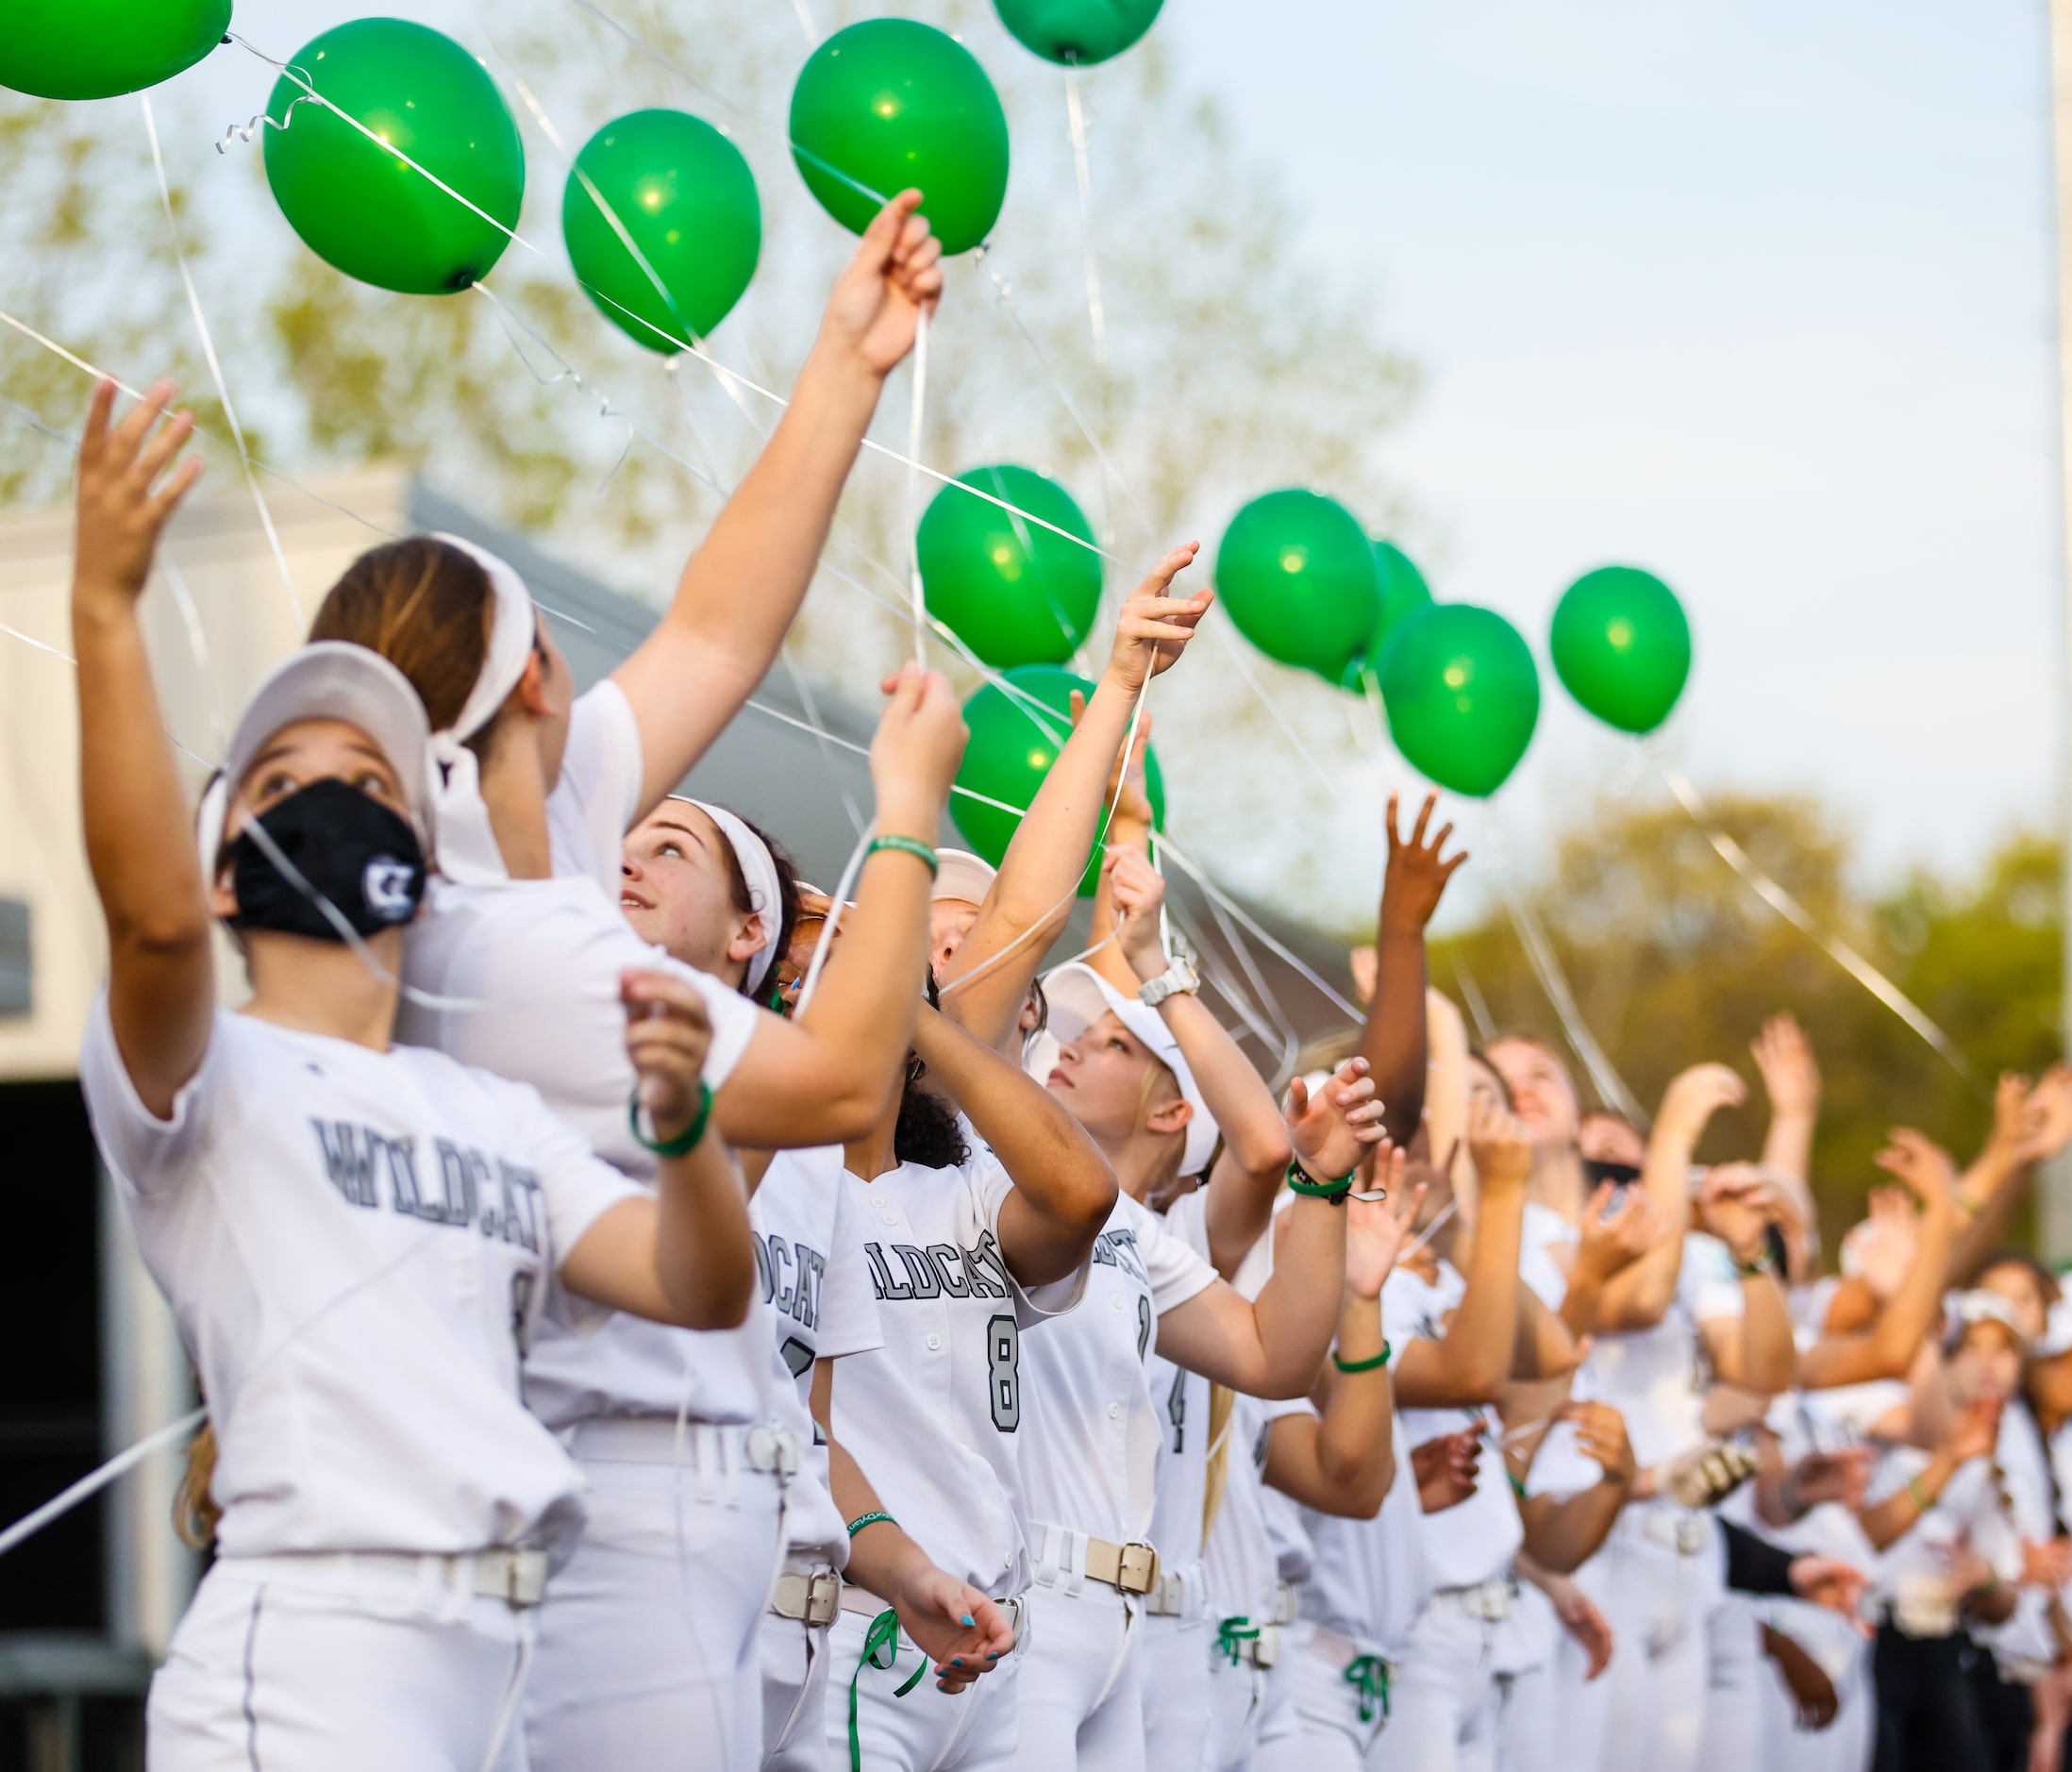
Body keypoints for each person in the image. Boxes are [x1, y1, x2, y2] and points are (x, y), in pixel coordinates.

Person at [303, 194, 955, 1772]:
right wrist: (910, 824)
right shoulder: (504, 938)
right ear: (536, 676)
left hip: (655, 1498)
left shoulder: (529, 812)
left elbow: (723, 621)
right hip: (620, 1500)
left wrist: (843, 371)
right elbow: (844, 1086)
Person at [68, 379, 755, 1771]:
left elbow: (700, 1286)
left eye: (371, 772)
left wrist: (684, 1137)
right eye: (279, 784)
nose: (331, 791)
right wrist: (102, 616)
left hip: (499, 1660)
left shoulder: (485, 1109)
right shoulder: (209, 1075)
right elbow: (142, 922)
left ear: (427, 853)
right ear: (217, 871)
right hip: (320, 1649)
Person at [617, 798, 1019, 1770]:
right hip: (649, 1608)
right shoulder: (601, 1091)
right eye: (618, 846)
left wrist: (906, 1567)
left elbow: (810, 1429)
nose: (628, 865)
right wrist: (909, 805)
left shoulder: (809, 1170)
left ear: (746, 932)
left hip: (794, 1648)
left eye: (668, 848)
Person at [817, 995, 1120, 1771]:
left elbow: (1083, 1190)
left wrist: (908, 1008)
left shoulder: (965, 1193)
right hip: (864, 1628)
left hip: (997, 1646)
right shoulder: (785, 1192)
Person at [1860, 1295, 2027, 1772]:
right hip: (1873, 1642)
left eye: (2004, 1349)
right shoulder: (1883, 1427)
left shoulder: (1994, 1458)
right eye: (1972, 1347)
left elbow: (2006, 1597)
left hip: (1942, 1649)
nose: (1989, 1365)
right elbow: (1861, 1536)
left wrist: (1986, 1579)